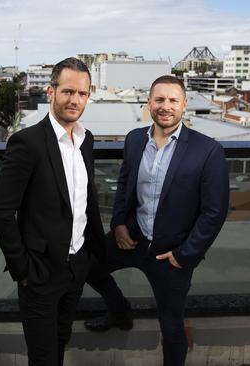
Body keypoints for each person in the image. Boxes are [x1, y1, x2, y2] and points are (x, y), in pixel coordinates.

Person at [84, 75, 229, 366]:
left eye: (173, 100)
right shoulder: (135, 139)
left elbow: (214, 212)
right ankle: (120, 311)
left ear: (184, 105)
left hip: (170, 253)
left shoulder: (207, 150)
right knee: (88, 266)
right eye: (159, 99)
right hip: (132, 237)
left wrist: (184, 256)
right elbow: (125, 183)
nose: (166, 106)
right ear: (148, 103)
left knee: (171, 326)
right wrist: (119, 224)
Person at [0, 57, 105, 366]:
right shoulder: (27, 143)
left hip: (76, 266)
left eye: (81, 94)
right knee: (42, 358)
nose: (74, 100)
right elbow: (0, 212)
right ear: (51, 91)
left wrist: (91, 253)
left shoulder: (86, 140)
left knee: (60, 340)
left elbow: (85, 201)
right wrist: (23, 270)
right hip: (40, 273)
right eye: (68, 91)